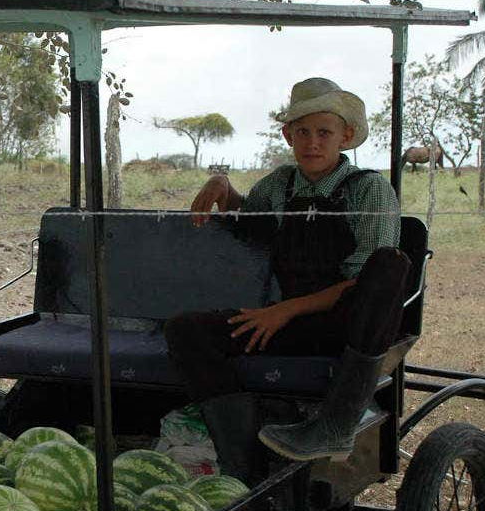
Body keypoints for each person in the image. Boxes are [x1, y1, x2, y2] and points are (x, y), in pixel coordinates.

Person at [164, 77, 411, 482]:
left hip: (354, 328)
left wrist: (283, 311)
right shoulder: (279, 186)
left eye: (323, 133)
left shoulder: (370, 191)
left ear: (345, 137)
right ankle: (245, 463)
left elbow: (362, 284)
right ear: (288, 135)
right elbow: (246, 216)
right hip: (290, 322)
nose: (312, 142)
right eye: (302, 132)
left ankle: (334, 425)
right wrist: (221, 184)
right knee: (185, 331)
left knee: (388, 264)